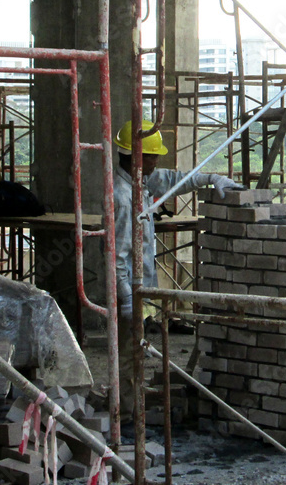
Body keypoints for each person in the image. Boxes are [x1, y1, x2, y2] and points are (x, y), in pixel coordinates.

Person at [112, 118, 239, 414]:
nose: (157, 162)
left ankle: (133, 402)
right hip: (127, 288)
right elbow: (116, 255)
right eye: (153, 156)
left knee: (136, 349)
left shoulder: (140, 180)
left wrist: (211, 178)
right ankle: (128, 414)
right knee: (129, 352)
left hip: (137, 285)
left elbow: (175, 179)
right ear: (137, 156)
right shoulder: (120, 196)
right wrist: (126, 297)